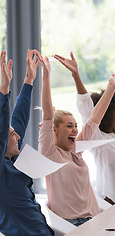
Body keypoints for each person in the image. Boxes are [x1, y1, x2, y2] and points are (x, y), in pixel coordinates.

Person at [37, 51, 115, 226]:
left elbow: (94, 119)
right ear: (54, 130)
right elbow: (48, 114)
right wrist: (46, 76)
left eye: (75, 125)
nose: (74, 130)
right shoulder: (49, 153)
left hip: (94, 219)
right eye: (68, 126)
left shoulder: (76, 150)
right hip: (71, 224)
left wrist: (111, 87)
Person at [53, 51, 115, 205]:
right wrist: (76, 74)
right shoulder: (98, 138)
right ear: (106, 115)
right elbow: (87, 108)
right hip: (110, 203)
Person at [0, 50, 54, 236]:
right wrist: (4, 92)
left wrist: (29, 80)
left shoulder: (10, 158)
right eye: (13, 135)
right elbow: (4, 124)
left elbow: (19, 119)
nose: (19, 137)